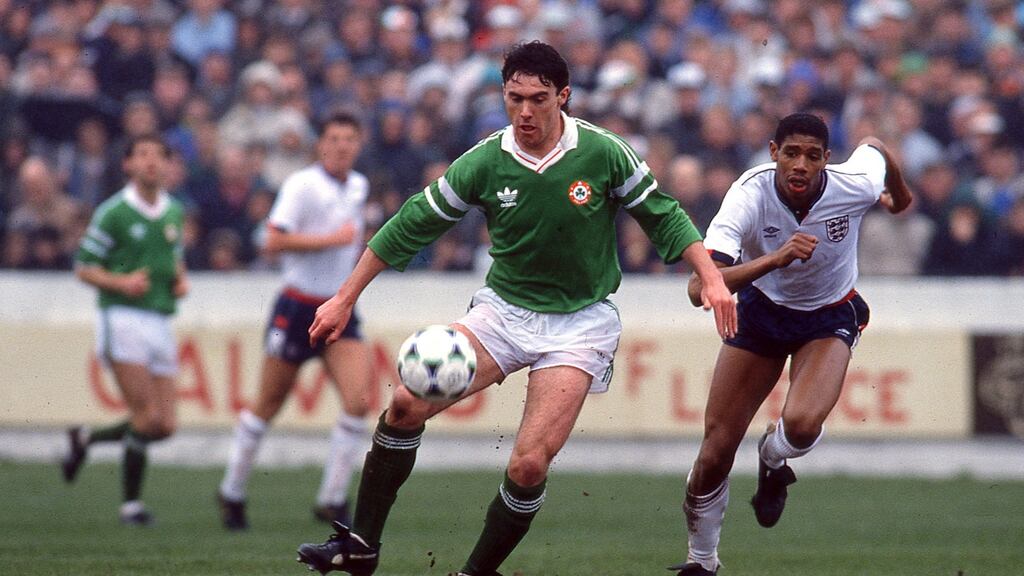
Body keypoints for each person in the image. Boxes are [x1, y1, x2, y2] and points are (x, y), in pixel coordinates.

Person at [294, 40, 736, 576]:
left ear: (563, 96)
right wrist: (344, 297)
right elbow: (413, 222)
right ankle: (361, 544)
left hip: (580, 324)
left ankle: (475, 572)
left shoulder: (603, 152)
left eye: (538, 98)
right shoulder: (485, 160)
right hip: (503, 312)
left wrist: (710, 277)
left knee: (528, 463)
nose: (525, 111)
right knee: (407, 402)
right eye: (514, 98)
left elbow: (663, 215)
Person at [673, 113, 913, 575]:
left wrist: (899, 196)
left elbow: (875, 143)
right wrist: (775, 259)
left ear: (826, 159)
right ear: (772, 152)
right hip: (762, 312)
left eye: (811, 155)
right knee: (716, 449)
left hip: (828, 313)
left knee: (801, 425)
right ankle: (701, 562)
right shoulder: (748, 193)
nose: (799, 164)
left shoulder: (855, 184)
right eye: (790, 153)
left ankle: (772, 456)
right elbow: (699, 286)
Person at [217, 112, 373, 530]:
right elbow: (273, 239)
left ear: (358, 145)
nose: (341, 146)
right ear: (320, 145)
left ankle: (332, 499)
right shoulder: (302, 185)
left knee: (358, 402)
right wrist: (330, 241)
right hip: (298, 308)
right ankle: (232, 490)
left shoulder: (358, 186)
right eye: (334, 138)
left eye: (349, 138)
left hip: (338, 308)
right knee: (268, 404)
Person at [61, 134, 189, 526]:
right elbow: (84, 266)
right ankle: (131, 505)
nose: (151, 162)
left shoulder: (174, 212)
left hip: (160, 319)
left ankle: (86, 439)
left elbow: (173, 259)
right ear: (128, 164)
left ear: (168, 165)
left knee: (165, 425)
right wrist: (122, 283)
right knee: (145, 416)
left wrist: (179, 280)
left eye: (158, 155)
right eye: (142, 154)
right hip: (123, 318)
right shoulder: (113, 212)